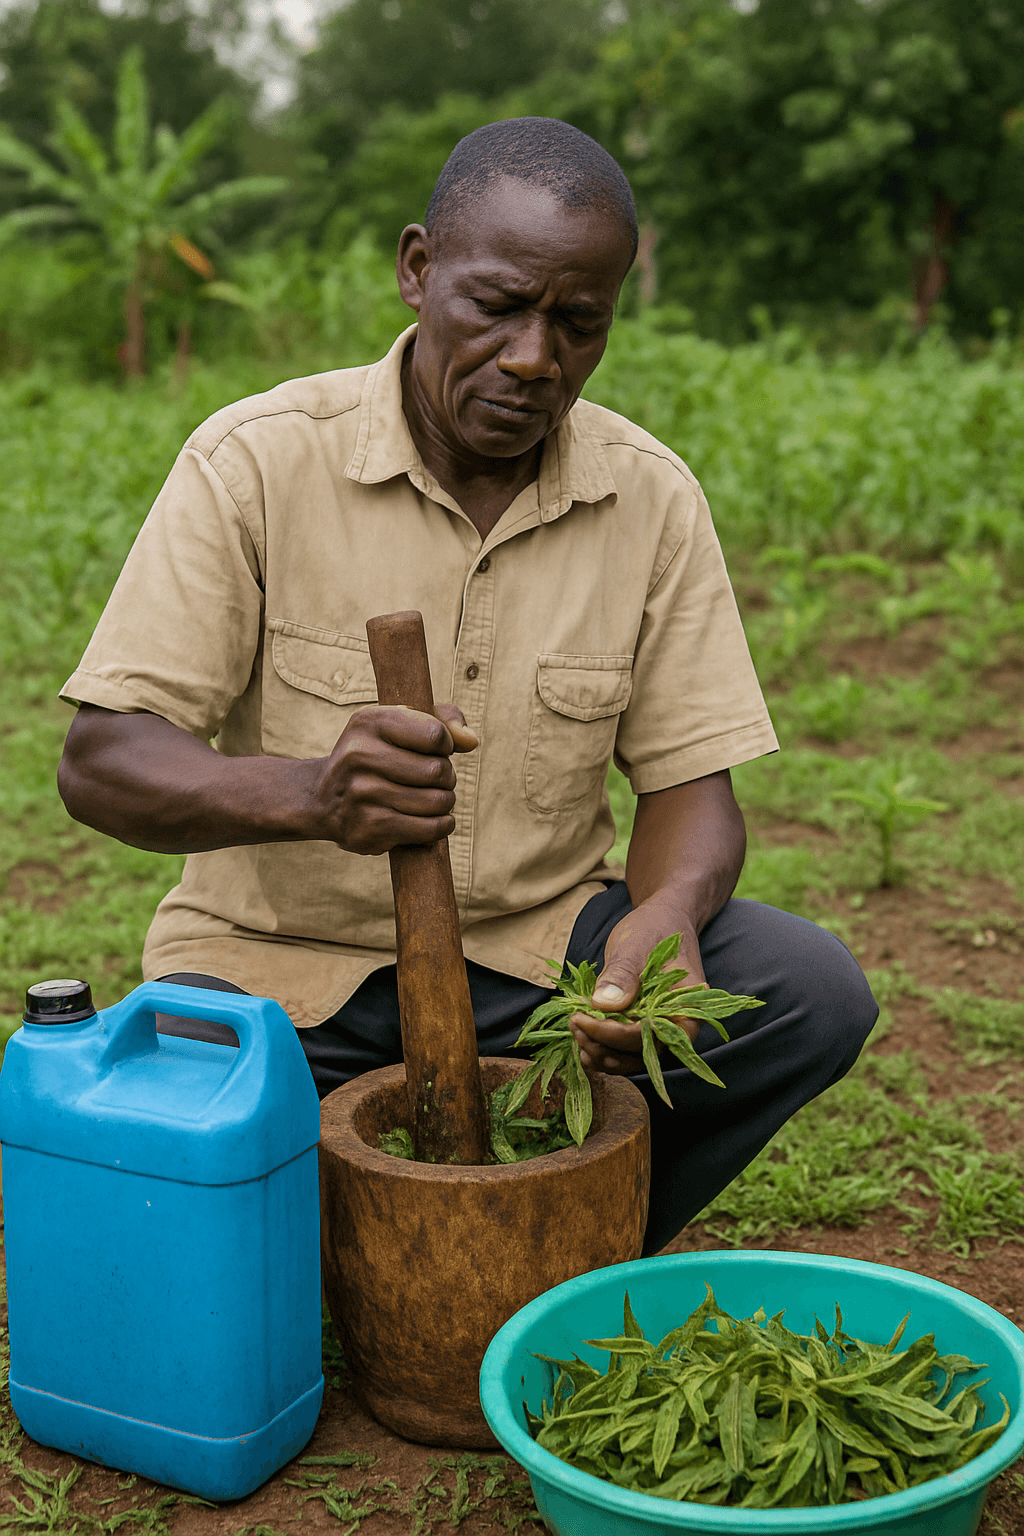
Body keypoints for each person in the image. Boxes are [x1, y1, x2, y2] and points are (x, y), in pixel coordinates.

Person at [57, 118, 877, 1254]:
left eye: (578, 324)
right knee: (176, 1215)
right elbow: (103, 762)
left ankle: (558, 1247)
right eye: (497, 306)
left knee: (804, 990)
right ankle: (376, 1262)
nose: (535, 359)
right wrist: (311, 796)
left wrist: (667, 917)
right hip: (276, 974)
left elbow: (694, 787)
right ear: (417, 268)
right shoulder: (255, 462)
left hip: (538, 965)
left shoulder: (649, 500)